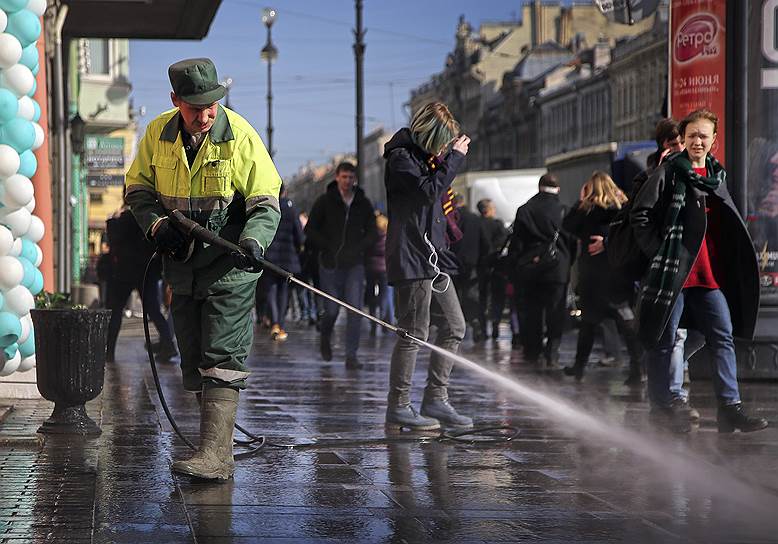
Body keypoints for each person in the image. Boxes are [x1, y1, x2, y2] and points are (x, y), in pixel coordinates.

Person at [125, 58, 281, 480]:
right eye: (195, 107)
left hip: (230, 264)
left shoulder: (240, 135)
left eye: (212, 105)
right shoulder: (158, 133)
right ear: (175, 101)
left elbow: (266, 199)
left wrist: (253, 241)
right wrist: (157, 225)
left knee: (222, 355)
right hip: (183, 266)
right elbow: (137, 188)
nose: (205, 115)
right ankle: (215, 442)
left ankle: (216, 456)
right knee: (192, 359)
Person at [631, 108, 767, 433]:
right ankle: (661, 408)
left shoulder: (716, 178)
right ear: (683, 139)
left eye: (703, 135)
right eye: (691, 135)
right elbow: (640, 215)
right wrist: (659, 252)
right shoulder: (667, 173)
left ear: (713, 141)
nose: (697, 141)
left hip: (708, 277)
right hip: (674, 276)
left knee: (723, 337)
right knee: (664, 341)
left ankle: (729, 409)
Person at [383, 101, 471, 431]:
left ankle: (436, 397)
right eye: (443, 142)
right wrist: (455, 159)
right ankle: (399, 405)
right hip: (413, 257)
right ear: (429, 134)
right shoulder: (402, 159)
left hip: (433, 257)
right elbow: (429, 192)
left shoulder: (422, 158)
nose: (445, 148)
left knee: (454, 326)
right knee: (414, 333)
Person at [561, 171, 643, 382]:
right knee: (626, 322)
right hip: (618, 275)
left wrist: (580, 201)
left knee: (588, 324)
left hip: (593, 277)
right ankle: (637, 368)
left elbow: (567, 226)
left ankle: (579, 367)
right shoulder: (623, 209)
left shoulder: (588, 212)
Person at [304, 162, 378, 369]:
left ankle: (351, 356)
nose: (347, 181)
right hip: (329, 264)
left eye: (351, 177)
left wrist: (361, 247)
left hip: (354, 264)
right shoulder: (325, 201)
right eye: (344, 177)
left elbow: (373, 231)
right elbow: (310, 229)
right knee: (332, 311)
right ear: (337, 177)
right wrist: (326, 246)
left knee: (355, 310)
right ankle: (325, 336)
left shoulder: (362, 203)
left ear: (355, 179)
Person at [508, 174, 574, 368]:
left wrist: (516, 266)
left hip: (530, 268)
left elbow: (516, 244)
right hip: (557, 269)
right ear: (558, 189)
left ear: (539, 187)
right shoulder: (564, 211)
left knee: (532, 312)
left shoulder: (524, 210)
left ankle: (532, 351)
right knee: (555, 312)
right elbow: (572, 243)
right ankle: (552, 352)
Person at [105, 199, 178, 363]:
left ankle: (109, 351)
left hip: (124, 271)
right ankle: (168, 344)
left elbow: (112, 238)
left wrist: (114, 218)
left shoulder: (123, 219)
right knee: (153, 309)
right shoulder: (150, 218)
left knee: (115, 310)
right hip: (147, 270)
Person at [262, 184, 303, 341]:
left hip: (270, 256)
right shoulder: (291, 210)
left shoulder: (268, 207)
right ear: (284, 192)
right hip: (287, 257)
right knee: (283, 291)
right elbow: (299, 235)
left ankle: (274, 324)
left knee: (271, 290)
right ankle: (280, 323)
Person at [451, 193, 488, 343]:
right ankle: (475, 323)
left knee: (453, 297)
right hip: (471, 263)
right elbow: (484, 242)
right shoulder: (475, 219)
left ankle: (453, 328)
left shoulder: (450, 217)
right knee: (471, 295)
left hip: (452, 263)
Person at [477, 198, 509, 339]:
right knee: (498, 298)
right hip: (497, 266)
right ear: (489, 210)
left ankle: (483, 327)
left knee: (481, 298)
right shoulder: (497, 225)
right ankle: (495, 323)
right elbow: (503, 241)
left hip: (481, 266)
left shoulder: (477, 224)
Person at [365, 212, 394, 334]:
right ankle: (386, 321)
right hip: (385, 269)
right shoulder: (389, 236)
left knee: (372, 295)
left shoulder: (371, 236)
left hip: (371, 268)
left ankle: (372, 322)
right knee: (386, 296)